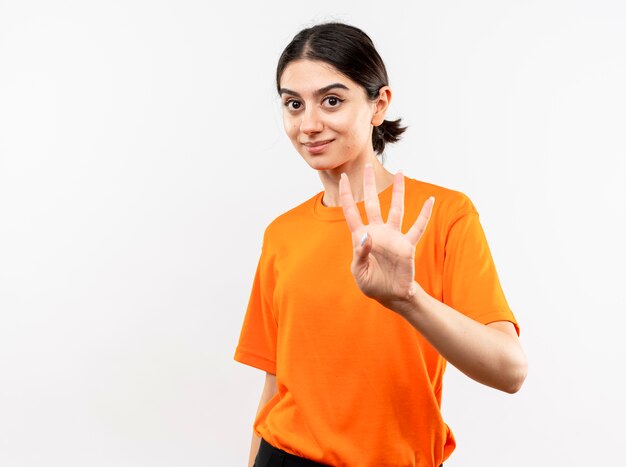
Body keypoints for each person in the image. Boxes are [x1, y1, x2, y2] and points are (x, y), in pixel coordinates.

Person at [234, 22, 528, 467]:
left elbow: (510, 370)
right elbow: (276, 384)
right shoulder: (282, 233)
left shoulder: (445, 214)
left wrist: (409, 298)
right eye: (293, 104)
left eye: (331, 100)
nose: (309, 124)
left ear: (379, 104)